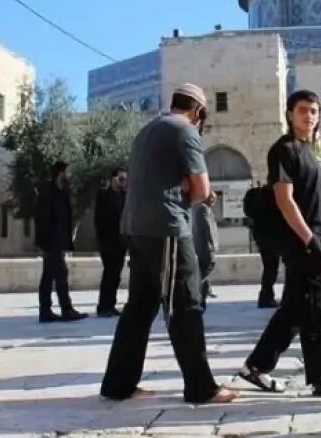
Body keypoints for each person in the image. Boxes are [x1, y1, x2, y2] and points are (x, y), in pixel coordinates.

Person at [100, 84, 237, 404]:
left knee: (139, 307)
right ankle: (201, 387)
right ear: (199, 111)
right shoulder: (185, 131)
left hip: (137, 228)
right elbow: (202, 191)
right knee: (185, 304)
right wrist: (197, 192)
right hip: (168, 229)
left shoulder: (146, 131)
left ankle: (118, 384)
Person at [238, 90, 321, 398]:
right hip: (303, 240)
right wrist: (310, 240)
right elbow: (285, 200)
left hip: (316, 237)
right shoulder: (284, 150)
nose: (309, 116)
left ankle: (256, 366)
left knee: (295, 309)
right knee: (319, 310)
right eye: (303, 110)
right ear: (290, 114)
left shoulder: (308, 150)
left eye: (314, 111)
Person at [36, 161, 86, 323]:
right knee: (60, 275)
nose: (70, 175)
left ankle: (45, 311)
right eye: (68, 172)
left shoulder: (62, 193)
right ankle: (67, 309)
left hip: (59, 241)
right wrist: (45, 243)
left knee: (48, 277)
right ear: (60, 173)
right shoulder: (47, 192)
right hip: (51, 242)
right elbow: (42, 220)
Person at [94, 168, 128, 317]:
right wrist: (103, 240)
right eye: (121, 179)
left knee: (116, 275)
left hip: (120, 243)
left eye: (125, 180)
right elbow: (99, 220)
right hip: (108, 242)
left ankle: (111, 305)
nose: (123, 182)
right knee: (109, 274)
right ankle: (103, 306)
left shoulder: (124, 196)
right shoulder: (104, 196)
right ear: (113, 179)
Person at [243, 181, 281, 308]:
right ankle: (266, 297)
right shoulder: (270, 196)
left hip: (260, 235)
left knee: (269, 267)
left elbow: (248, 213)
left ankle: (266, 296)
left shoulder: (253, 195)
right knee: (272, 268)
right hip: (272, 235)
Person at [191, 193, 219, 307]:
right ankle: (193, 288)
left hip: (200, 245)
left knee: (202, 267)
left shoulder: (196, 207)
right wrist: (213, 244)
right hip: (206, 246)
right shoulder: (204, 209)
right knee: (208, 266)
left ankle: (205, 291)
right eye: (211, 198)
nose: (213, 201)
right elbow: (208, 227)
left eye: (215, 199)